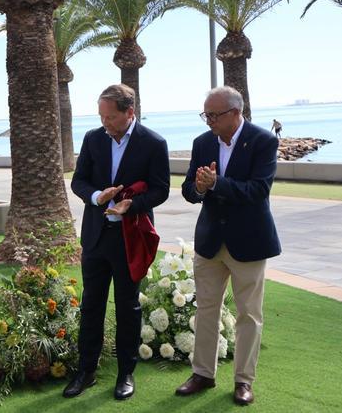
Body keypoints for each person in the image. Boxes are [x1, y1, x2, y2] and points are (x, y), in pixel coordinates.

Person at [176, 86, 281, 406]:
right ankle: (203, 374)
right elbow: (189, 191)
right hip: (210, 242)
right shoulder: (202, 142)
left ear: (236, 113)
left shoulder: (263, 141)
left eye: (214, 115)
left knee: (249, 314)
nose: (208, 121)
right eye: (205, 114)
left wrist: (217, 183)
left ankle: (243, 381)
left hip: (249, 241)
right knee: (206, 309)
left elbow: (258, 190)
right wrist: (197, 186)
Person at [64, 84, 170, 401]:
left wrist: (130, 206)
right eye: (101, 116)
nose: (105, 122)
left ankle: (126, 373)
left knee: (128, 307)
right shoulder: (93, 138)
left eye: (110, 116)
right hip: (95, 238)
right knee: (91, 305)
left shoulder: (153, 143)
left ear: (129, 113)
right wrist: (98, 197)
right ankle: (86, 370)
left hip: (130, 239)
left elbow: (160, 189)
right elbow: (78, 181)